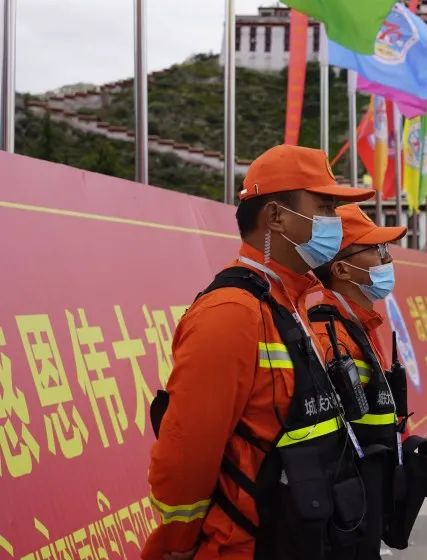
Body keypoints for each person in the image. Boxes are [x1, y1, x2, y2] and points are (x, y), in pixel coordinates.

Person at [144, 145, 374, 560]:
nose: (334, 224)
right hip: (247, 544)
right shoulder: (231, 313)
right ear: (276, 217)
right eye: (323, 207)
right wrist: (178, 543)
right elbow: (186, 452)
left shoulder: (291, 303)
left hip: (302, 536)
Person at [305, 203, 410, 559]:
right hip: (344, 509)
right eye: (376, 250)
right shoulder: (326, 334)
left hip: (365, 497)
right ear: (340, 269)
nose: (386, 259)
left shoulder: (358, 325)